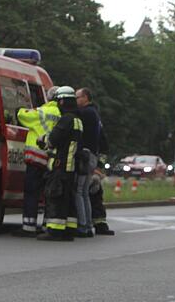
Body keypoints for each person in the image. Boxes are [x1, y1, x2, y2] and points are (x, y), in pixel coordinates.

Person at [12, 88, 64, 236]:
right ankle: (47, 225)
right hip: (52, 160)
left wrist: (20, 107)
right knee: (49, 194)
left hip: (36, 158)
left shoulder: (42, 111)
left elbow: (22, 115)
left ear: (49, 98)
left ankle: (29, 226)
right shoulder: (62, 115)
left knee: (31, 192)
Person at [38, 86, 83, 241]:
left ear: (62, 101)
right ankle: (69, 230)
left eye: (58, 101)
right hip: (71, 166)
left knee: (56, 196)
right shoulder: (77, 120)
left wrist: (42, 139)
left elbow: (53, 140)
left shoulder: (66, 119)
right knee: (68, 199)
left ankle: (55, 230)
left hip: (60, 165)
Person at [76, 87, 114, 235]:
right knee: (88, 192)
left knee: (81, 192)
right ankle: (95, 224)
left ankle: (86, 225)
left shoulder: (86, 113)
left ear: (85, 97)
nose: (75, 100)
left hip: (87, 158)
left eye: (77, 97)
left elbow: (103, 144)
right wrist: (99, 166)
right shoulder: (95, 114)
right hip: (93, 158)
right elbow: (104, 143)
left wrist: (99, 168)